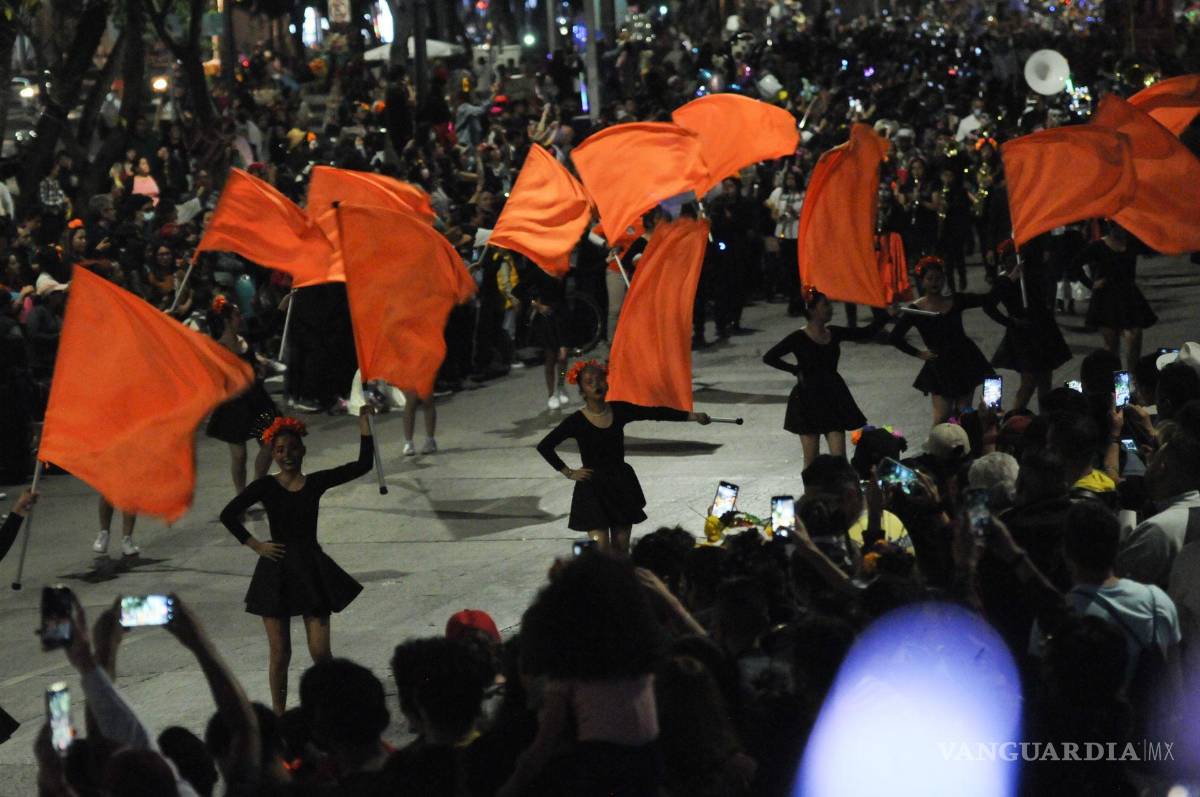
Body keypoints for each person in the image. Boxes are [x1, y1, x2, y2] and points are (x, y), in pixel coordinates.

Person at [218, 406, 378, 714]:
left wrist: (364, 424)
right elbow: (228, 514)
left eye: (292, 449)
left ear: (302, 449)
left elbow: (363, 464)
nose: (286, 455)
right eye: (280, 450)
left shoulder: (314, 483)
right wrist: (255, 545)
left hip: (310, 568)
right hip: (275, 570)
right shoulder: (265, 486)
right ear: (272, 453)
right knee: (280, 653)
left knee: (321, 652)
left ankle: (332, 706)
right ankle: (279, 714)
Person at [536, 360, 710, 553]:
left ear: (607, 383)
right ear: (582, 391)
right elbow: (545, 446)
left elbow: (654, 412)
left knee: (620, 550)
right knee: (601, 550)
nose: (596, 384)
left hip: (620, 484)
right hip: (593, 489)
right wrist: (568, 472)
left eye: (600, 379)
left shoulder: (619, 410)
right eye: (589, 382)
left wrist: (692, 416)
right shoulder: (576, 421)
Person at [762, 287, 881, 467]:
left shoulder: (833, 332)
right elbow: (769, 357)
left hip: (833, 397)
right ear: (811, 310)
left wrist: (886, 316)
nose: (831, 308)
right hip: (807, 399)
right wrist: (795, 370)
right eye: (826, 304)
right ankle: (812, 495)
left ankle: (841, 494)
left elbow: (865, 333)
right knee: (811, 460)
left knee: (840, 459)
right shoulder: (798, 337)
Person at [889, 256, 1005, 425]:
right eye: (930, 279)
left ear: (944, 279)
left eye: (938, 278)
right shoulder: (916, 309)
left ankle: (981, 435)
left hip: (965, 358)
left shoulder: (956, 300)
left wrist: (1006, 279)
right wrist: (919, 353)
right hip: (941, 364)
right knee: (941, 418)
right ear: (922, 282)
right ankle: (939, 448)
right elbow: (894, 337)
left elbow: (987, 298)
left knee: (966, 412)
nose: (934, 282)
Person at [205, 295, 277, 496]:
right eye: (237, 315)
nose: (241, 318)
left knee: (270, 443)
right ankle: (241, 495)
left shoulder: (244, 338)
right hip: (234, 405)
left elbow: (267, 332)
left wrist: (282, 306)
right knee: (239, 456)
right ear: (227, 320)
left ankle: (256, 488)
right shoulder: (218, 348)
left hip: (256, 399)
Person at [988, 240, 1072, 411]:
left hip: (1042, 328)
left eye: (1016, 258)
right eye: (1009, 259)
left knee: (1045, 379)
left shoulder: (1032, 273)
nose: (1014, 262)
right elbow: (989, 306)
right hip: (1022, 333)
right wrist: (1010, 321)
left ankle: (1045, 419)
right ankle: (1013, 419)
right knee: (1029, 380)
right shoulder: (1003, 281)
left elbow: (1046, 290)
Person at [1076, 224, 1156, 372]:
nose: (1121, 231)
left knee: (1134, 341)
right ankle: (1120, 388)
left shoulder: (1132, 242)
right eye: (1117, 228)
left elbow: (1153, 246)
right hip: (1106, 299)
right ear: (1110, 228)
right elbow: (1074, 265)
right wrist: (1091, 284)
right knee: (1112, 348)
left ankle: (1133, 381)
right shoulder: (1099, 246)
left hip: (1129, 296)